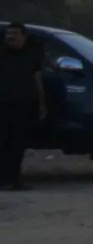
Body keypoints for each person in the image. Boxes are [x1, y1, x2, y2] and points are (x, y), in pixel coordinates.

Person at [1, 22, 46, 191]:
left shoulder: (30, 56)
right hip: (3, 107)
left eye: (15, 34)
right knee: (3, 145)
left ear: (24, 37)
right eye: (8, 34)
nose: (10, 37)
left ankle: (14, 181)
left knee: (18, 146)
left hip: (23, 107)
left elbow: (38, 80)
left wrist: (42, 104)